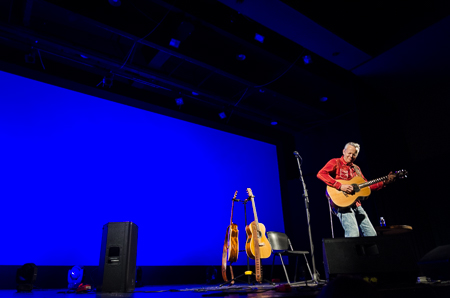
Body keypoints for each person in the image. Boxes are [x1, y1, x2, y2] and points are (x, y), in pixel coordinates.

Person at [317, 142, 395, 237]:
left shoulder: (356, 168)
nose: (351, 156)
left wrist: (384, 182)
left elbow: (367, 186)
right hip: (342, 203)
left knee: (371, 234)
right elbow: (321, 174)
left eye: (354, 154)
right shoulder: (335, 162)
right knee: (353, 233)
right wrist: (340, 186)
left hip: (356, 203)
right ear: (343, 151)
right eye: (349, 153)